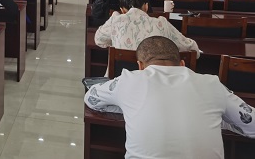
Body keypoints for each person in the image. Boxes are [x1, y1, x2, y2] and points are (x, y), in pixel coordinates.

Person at [84, 36, 255, 158]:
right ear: (182, 64)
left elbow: (91, 98)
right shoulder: (212, 84)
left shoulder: (128, 80)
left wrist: (126, 107)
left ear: (140, 66)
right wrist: (220, 119)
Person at [95, 0, 200, 75]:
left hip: (121, 83)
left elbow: (99, 40)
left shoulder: (116, 21)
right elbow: (193, 50)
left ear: (122, 10)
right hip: (155, 83)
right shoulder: (161, 23)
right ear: (146, 6)